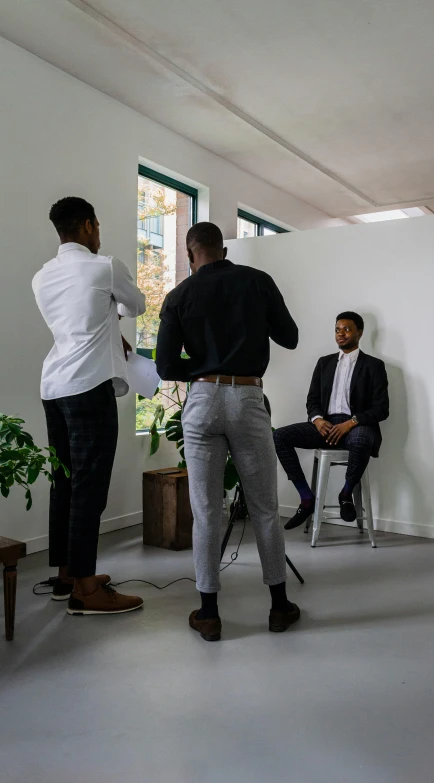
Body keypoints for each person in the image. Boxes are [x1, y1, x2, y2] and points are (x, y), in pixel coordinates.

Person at [156, 222, 300, 642]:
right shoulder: (256, 281)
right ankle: (278, 606)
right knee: (265, 508)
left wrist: (202, 371)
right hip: (247, 397)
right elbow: (289, 337)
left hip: (201, 402)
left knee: (206, 511)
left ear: (189, 253)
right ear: (222, 249)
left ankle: (209, 613)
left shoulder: (179, 295)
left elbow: (166, 367)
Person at [32, 197, 146, 615]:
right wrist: (114, 310)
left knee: (65, 480)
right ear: (86, 226)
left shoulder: (42, 277)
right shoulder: (105, 266)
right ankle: (86, 590)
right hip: (89, 386)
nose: (99, 234)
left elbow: (78, 322)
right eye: (97, 226)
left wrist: (105, 318)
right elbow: (137, 305)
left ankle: (66, 575)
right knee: (90, 486)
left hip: (53, 387)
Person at [273, 312, 389, 530]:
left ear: (360, 332)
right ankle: (306, 499)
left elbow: (381, 409)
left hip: (357, 426)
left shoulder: (374, 365)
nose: (341, 334)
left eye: (347, 329)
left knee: (362, 440)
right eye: (337, 329)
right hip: (326, 426)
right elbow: (312, 400)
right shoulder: (324, 363)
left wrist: (352, 422)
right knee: (279, 436)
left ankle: (345, 494)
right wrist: (317, 420)